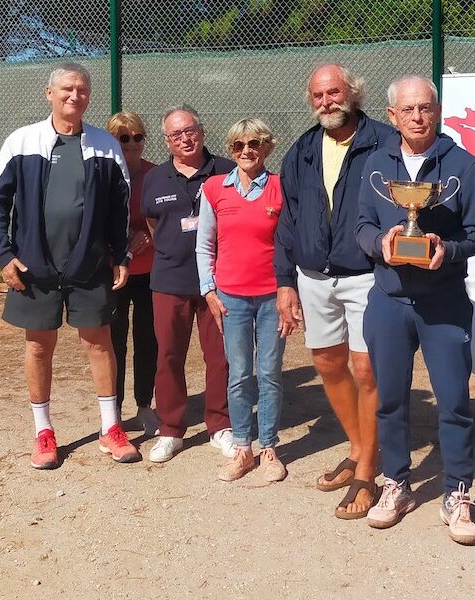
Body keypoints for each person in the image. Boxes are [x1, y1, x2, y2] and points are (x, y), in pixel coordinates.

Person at [0, 62, 139, 468]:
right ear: (48, 93)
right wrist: (1, 255)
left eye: (83, 90)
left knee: (99, 342)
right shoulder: (21, 141)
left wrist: (120, 253)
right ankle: (44, 433)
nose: (75, 96)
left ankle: (111, 429)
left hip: (89, 265)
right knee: (39, 345)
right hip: (34, 267)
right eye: (67, 89)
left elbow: (119, 207)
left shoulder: (106, 145)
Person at [356, 75, 475, 545]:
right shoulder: (375, 164)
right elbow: (362, 227)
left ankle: (458, 491)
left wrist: (446, 250)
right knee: (390, 399)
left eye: (425, 108)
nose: (416, 117)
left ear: (437, 110)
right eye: (407, 110)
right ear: (392, 115)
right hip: (389, 301)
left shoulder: (463, 165)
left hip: (444, 301)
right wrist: (381, 242)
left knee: (453, 400)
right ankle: (397, 483)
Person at [274, 64, 394, 518]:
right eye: (319, 95)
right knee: (327, 362)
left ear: (353, 92)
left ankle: (367, 471)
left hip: (367, 274)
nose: (327, 102)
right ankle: (360, 448)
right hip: (313, 275)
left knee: (367, 370)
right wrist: (285, 281)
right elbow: (288, 220)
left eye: (334, 92)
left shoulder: (384, 141)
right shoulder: (302, 149)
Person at [142, 105, 236, 463]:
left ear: (202, 130)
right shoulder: (155, 178)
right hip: (169, 280)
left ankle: (221, 425)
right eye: (176, 134)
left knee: (221, 355)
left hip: (219, 281)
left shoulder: (227, 170)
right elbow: (153, 226)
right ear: (167, 141)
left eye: (190, 130)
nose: (185, 138)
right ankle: (170, 429)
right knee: (168, 356)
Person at [197, 119, 289, 483]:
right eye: (238, 145)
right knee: (238, 375)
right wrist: (209, 291)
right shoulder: (215, 188)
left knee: (269, 373)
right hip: (231, 297)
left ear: (267, 147)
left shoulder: (281, 189)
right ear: (231, 150)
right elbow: (204, 244)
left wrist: (289, 293)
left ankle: (268, 447)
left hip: (271, 297)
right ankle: (242, 447)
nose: (246, 151)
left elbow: (290, 245)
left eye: (254, 144)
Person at [106, 111, 159, 436]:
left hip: (151, 270)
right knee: (113, 341)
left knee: (147, 339)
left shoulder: (156, 174)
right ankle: (111, 409)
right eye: (123, 137)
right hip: (112, 270)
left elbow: (170, 216)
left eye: (137, 137)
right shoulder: (103, 173)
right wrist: (120, 237)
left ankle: (144, 405)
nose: (131, 143)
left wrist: (149, 234)